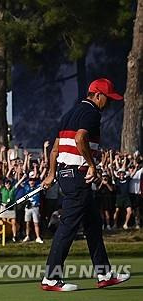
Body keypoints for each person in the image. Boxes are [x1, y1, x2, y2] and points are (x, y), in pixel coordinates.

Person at [41, 78, 130, 291]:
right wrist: (92, 165)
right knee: (68, 225)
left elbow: (55, 149)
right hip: (77, 176)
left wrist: (52, 174)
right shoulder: (91, 113)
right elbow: (81, 138)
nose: (108, 103)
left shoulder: (70, 113)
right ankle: (51, 278)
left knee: (92, 224)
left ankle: (104, 274)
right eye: (107, 99)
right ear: (98, 95)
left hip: (65, 173)